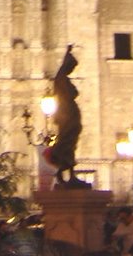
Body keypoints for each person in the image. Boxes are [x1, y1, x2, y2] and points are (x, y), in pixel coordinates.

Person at [49, 45, 84, 186]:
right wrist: (67, 54)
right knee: (67, 145)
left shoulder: (62, 79)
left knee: (69, 145)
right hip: (67, 116)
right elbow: (70, 93)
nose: (72, 70)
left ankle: (64, 174)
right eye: (71, 67)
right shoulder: (62, 80)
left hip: (69, 115)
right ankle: (68, 175)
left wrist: (68, 53)